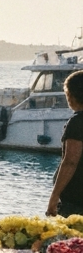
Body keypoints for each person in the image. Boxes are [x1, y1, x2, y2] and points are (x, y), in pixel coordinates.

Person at [49, 71, 83, 216]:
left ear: (71, 95)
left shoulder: (77, 122)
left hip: (75, 198)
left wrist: (54, 196)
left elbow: (70, 161)